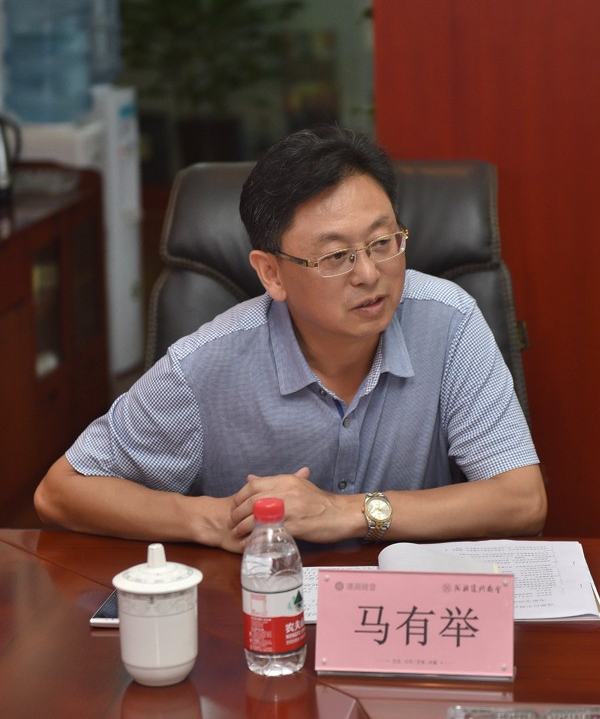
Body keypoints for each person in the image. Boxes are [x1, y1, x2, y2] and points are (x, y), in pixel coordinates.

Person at [35, 126, 547, 552]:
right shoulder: (207, 363)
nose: (369, 274)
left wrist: (346, 512)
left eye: (382, 241)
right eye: (335, 256)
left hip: (403, 612)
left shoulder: (449, 321)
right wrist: (213, 520)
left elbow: (523, 502)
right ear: (271, 273)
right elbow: (61, 492)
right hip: (260, 612)